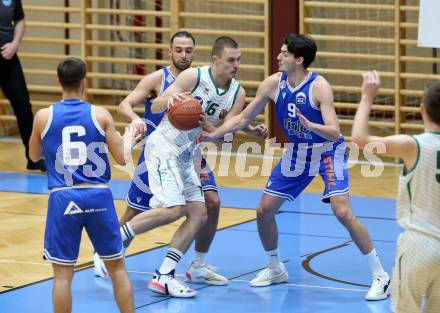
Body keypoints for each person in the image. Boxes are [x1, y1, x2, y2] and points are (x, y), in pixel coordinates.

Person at [198, 34, 390, 300]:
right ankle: (275, 268)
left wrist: (313, 127)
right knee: (264, 210)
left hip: (327, 152)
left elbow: (335, 132)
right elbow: (244, 117)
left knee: (342, 211)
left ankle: (380, 275)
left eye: (284, 53)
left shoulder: (319, 87)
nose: (278, 56)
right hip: (298, 154)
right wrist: (214, 135)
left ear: (299, 60)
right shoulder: (273, 84)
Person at [119, 36, 267, 298]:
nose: (236, 65)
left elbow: (225, 134)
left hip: (189, 154)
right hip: (164, 147)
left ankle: (164, 275)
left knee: (199, 214)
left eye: (239, 60)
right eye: (231, 60)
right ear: (216, 60)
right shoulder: (191, 77)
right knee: (172, 209)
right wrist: (174, 101)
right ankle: (113, 240)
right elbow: (154, 105)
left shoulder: (237, 92)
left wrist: (216, 130)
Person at [92, 31, 230, 286]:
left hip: (190, 153)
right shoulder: (157, 79)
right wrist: (135, 119)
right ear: (170, 51)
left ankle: (198, 264)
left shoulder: (201, 79)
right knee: (136, 209)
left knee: (211, 202)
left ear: (195, 52)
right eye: (178, 50)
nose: (183, 55)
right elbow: (125, 104)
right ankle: (108, 251)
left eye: (188, 50)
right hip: (158, 152)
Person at [28, 57, 135, 313]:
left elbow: (32, 156)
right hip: (98, 196)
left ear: (59, 81)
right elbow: (122, 159)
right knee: (117, 268)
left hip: (63, 197)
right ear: (84, 82)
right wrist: (129, 138)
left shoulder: (44, 116)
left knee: (63, 277)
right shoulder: (100, 114)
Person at [352, 71, 440, 312]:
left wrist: (367, 98)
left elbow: (359, 140)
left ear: (421, 109)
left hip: (420, 244)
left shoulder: (414, 145)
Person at [0, 0, 45, 171]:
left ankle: (33, 158)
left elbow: (19, 20)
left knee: (23, 105)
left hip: (8, 59)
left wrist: (15, 44)